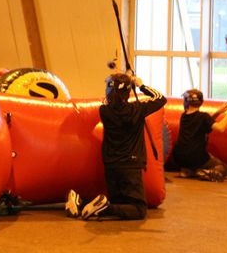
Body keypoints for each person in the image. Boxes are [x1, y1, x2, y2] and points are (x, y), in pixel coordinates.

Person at [65, 72, 166, 221]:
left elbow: (109, 98)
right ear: (128, 92)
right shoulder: (137, 109)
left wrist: (122, 84)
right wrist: (140, 85)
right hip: (130, 166)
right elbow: (160, 98)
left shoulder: (104, 110)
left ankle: (80, 201)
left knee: (119, 203)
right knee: (139, 210)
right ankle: (106, 209)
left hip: (111, 165)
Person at [169, 88, 227, 182]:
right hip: (196, 157)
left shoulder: (184, 116)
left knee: (192, 158)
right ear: (201, 102)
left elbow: (204, 122)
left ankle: (189, 171)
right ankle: (206, 172)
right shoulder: (203, 117)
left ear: (186, 102)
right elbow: (221, 128)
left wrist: (218, 112)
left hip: (179, 157)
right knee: (224, 167)